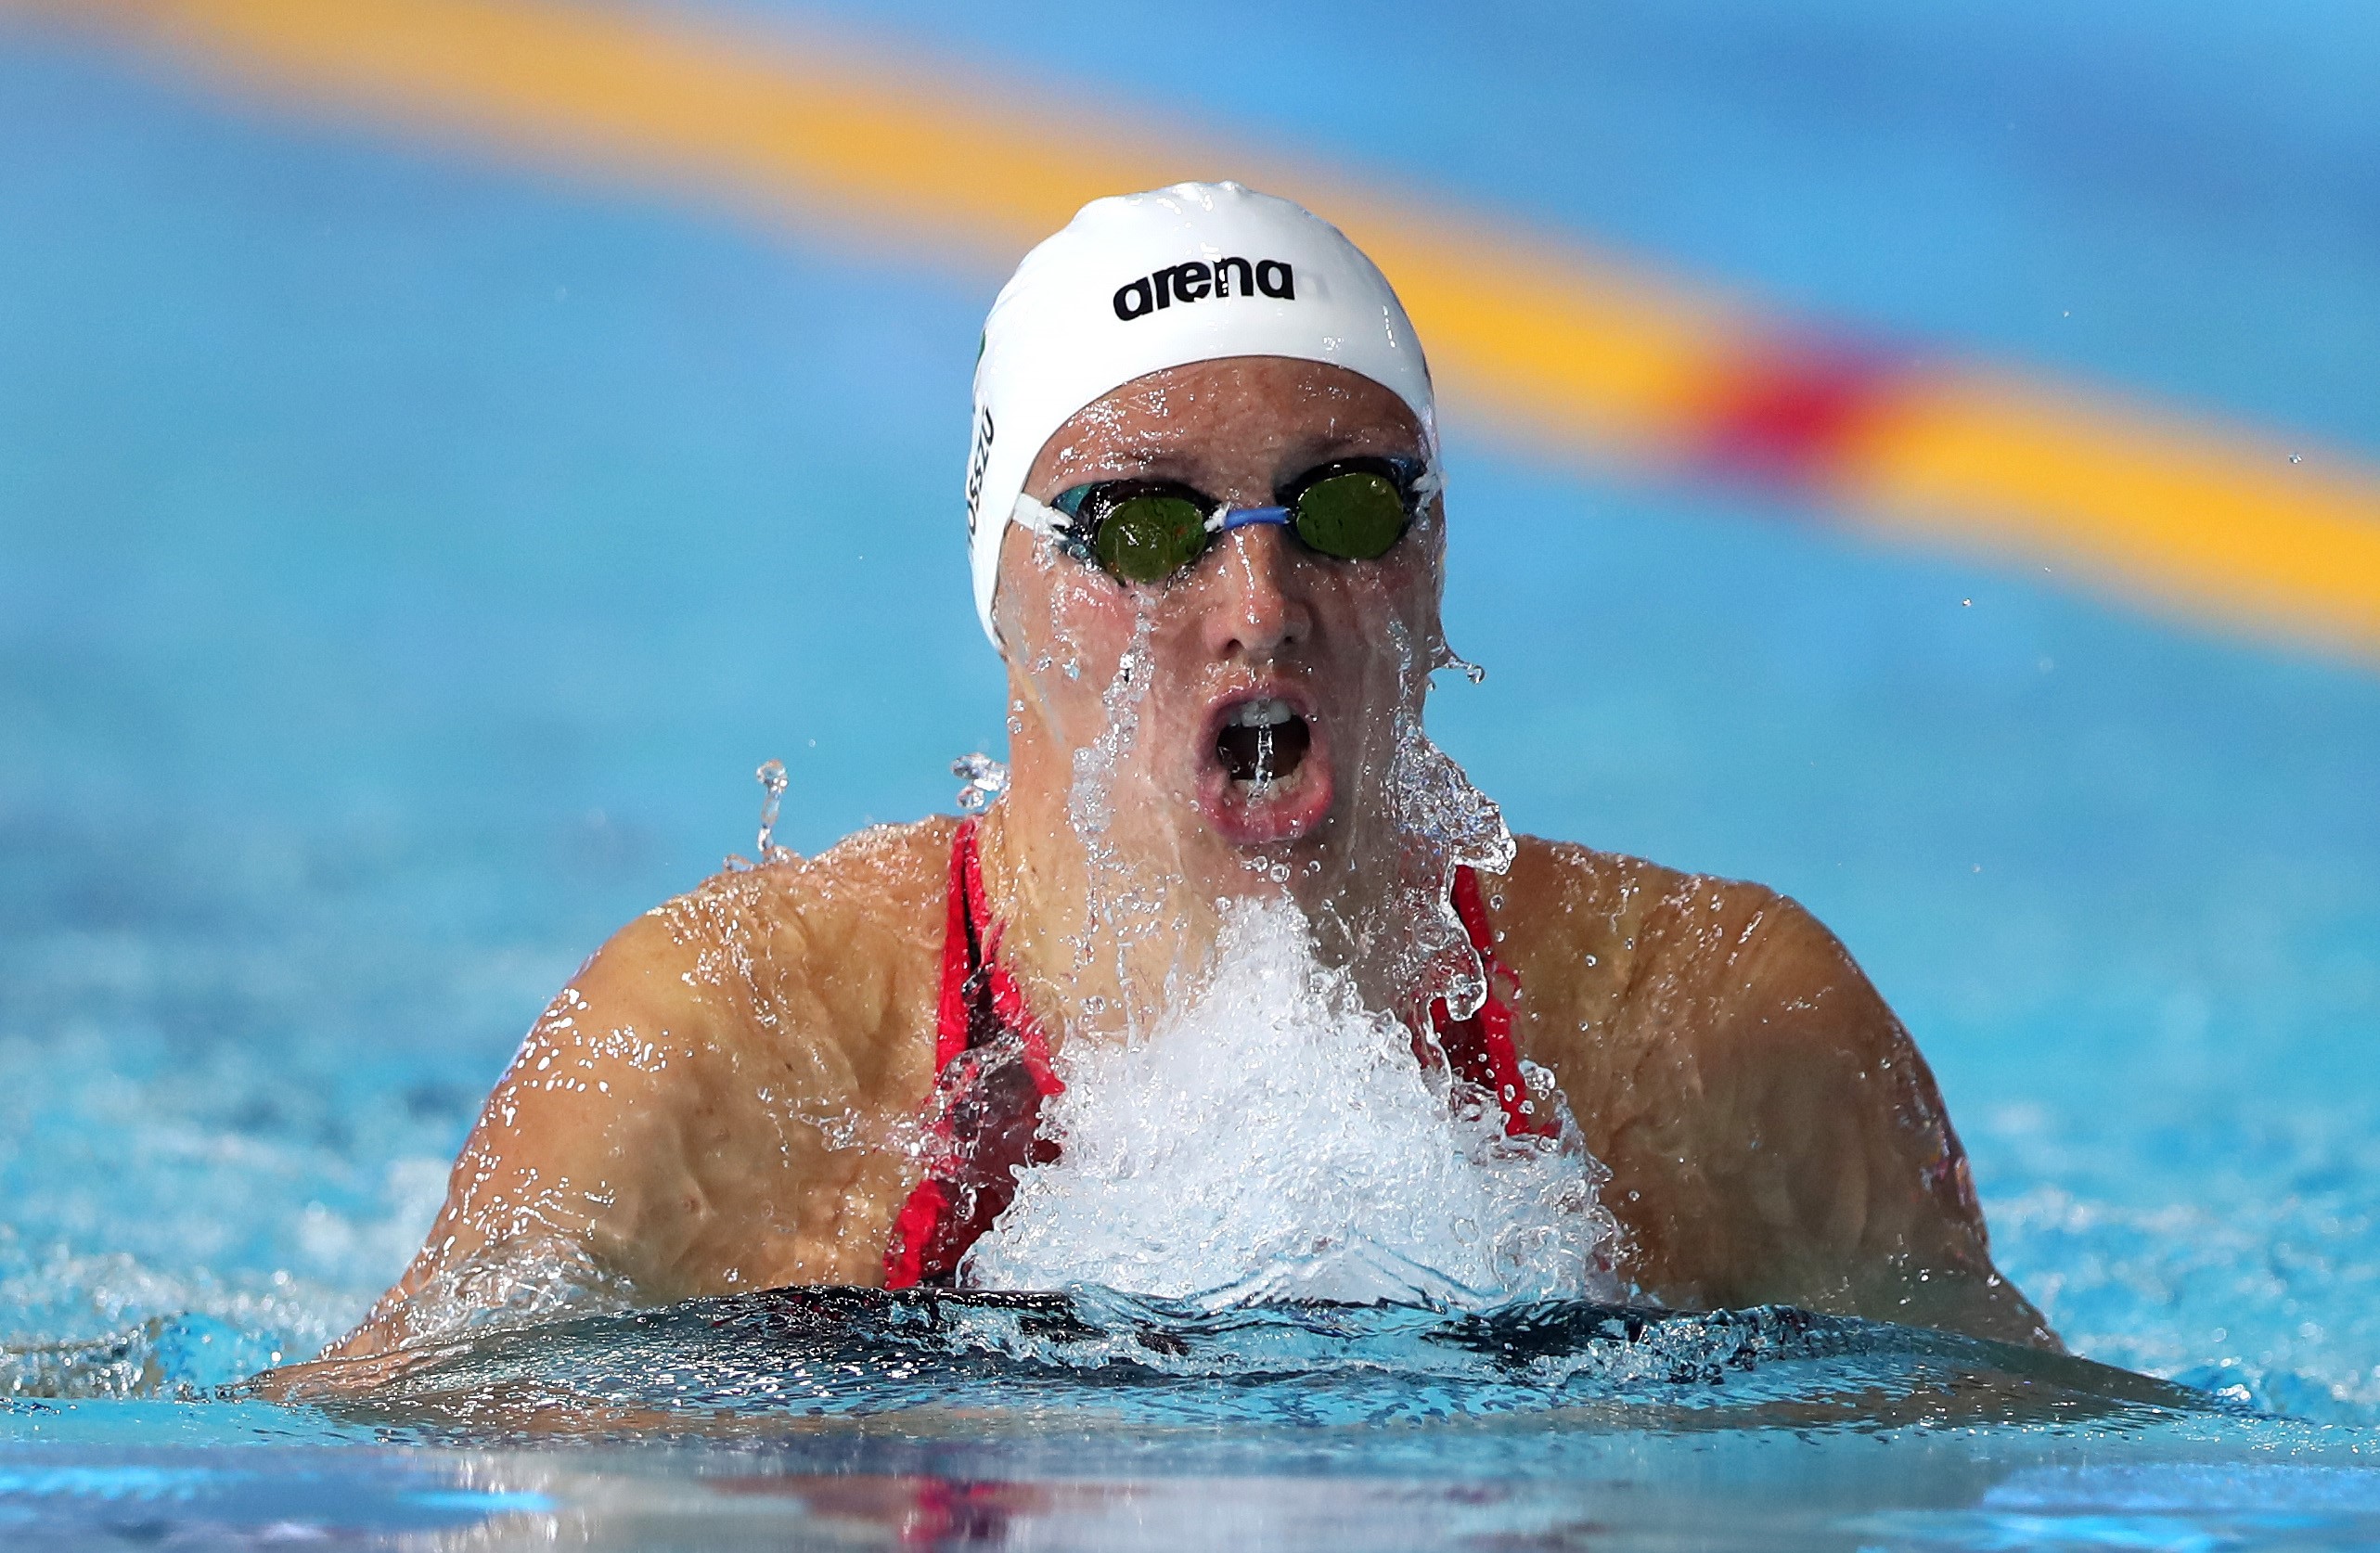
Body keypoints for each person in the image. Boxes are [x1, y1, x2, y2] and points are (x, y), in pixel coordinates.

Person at [322, 183, 2055, 1363]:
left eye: (1350, 504)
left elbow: (2010, 1466)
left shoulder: (1714, 1030)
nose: (1260, 607)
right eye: (1141, 524)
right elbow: (361, 1469)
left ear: (1438, 556)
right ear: (1001, 591)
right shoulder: (725, 1047)